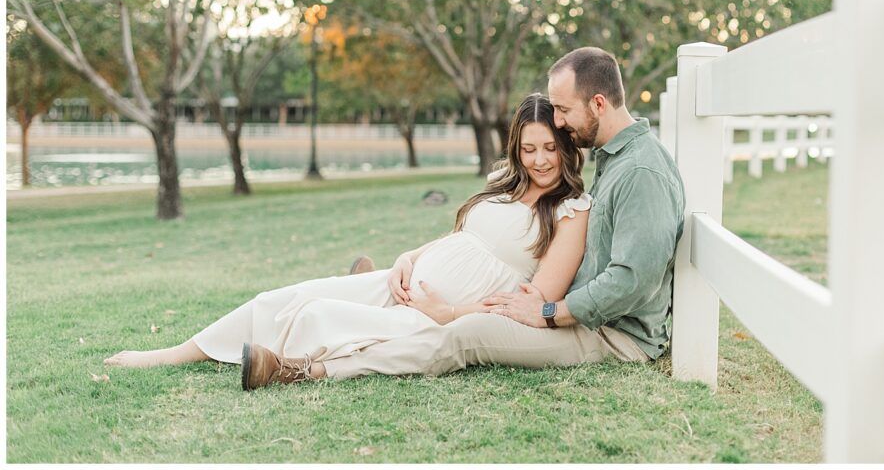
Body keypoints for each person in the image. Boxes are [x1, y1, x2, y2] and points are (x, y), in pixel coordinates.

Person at [239, 47, 685, 389]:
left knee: (464, 332)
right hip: (578, 312)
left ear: (599, 103)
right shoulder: (614, 157)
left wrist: (549, 310)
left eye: (565, 111)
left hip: (611, 334)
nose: (561, 124)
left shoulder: (640, 170)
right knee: (439, 313)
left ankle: (309, 371)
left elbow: (631, 281)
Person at [103, 93, 594, 389]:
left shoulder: (571, 211)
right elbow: (461, 237)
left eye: (550, 147)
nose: (539, 160)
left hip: (443, 314)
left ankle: (286, 366)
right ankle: (176, 352)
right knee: (290, 295)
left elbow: (539, 301)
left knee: (320, 315)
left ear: (566, 145)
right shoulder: (506, 180)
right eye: (528, 148)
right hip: (407, 284)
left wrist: (448, 315)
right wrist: (409, 257)